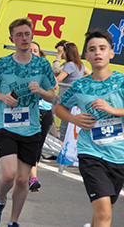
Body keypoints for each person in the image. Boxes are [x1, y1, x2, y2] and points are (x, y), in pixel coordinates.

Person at [0, 18, 56, 227]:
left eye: (27, 34)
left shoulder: (42, 64)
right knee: (8, 173)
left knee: (23, 180)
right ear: (12, 39)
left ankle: (13, 221)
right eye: (19, 35)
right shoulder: (2, 63)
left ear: (32, 35)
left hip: (32, 127)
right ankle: (0, 201)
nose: (24, 38)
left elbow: (52, 96)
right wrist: (2, 96)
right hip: (6, 125)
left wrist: (41, 91)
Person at [55, 30, 124, 227]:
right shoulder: (80, 86)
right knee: (103, 210)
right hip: (91, 153)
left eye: (102, 48)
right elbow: (60, 108)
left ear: (111, 53)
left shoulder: (121, 81)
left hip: (119, 154)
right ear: (86, 56)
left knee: (105, 211)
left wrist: (112, 110)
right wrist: (73, 119)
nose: (97, 53)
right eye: (92, 49)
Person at [28, 42, 57, 191]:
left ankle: (31, 177)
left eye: (36, 50)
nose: (33, 52)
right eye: (30, 50)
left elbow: (54, 87)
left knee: (38, 145)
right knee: (30, 144)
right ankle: (32, 178)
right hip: (29, 111)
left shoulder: (44, 69)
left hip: (45, 111)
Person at [55, 41, 91, 142]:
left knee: (63, 124)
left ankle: (60, 147)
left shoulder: (69, 64)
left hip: (66, 97)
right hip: (76, 98)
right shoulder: (80, 64)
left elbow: (59, 79)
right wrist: (78, 81)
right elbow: (90, 73)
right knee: (69, 125)